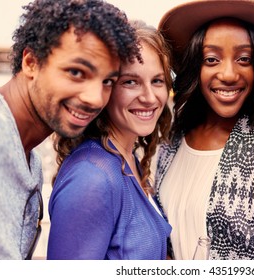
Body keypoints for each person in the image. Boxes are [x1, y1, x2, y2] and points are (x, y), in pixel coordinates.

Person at [155, 0, 254, 260]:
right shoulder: (173, 138)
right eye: (211, 59)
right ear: (195, 67)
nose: (227, 74)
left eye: (244, 59)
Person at [0, 0, 140, 260]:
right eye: (76, 72)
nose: (95, 98)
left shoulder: (30, 160)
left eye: (108, 81)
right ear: (30, 62)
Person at [47, 20, 173, 260]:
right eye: (130, 82)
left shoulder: (127, 157)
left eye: (157, 80)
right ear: (104, 88)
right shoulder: (92, 178)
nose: (149, 97)